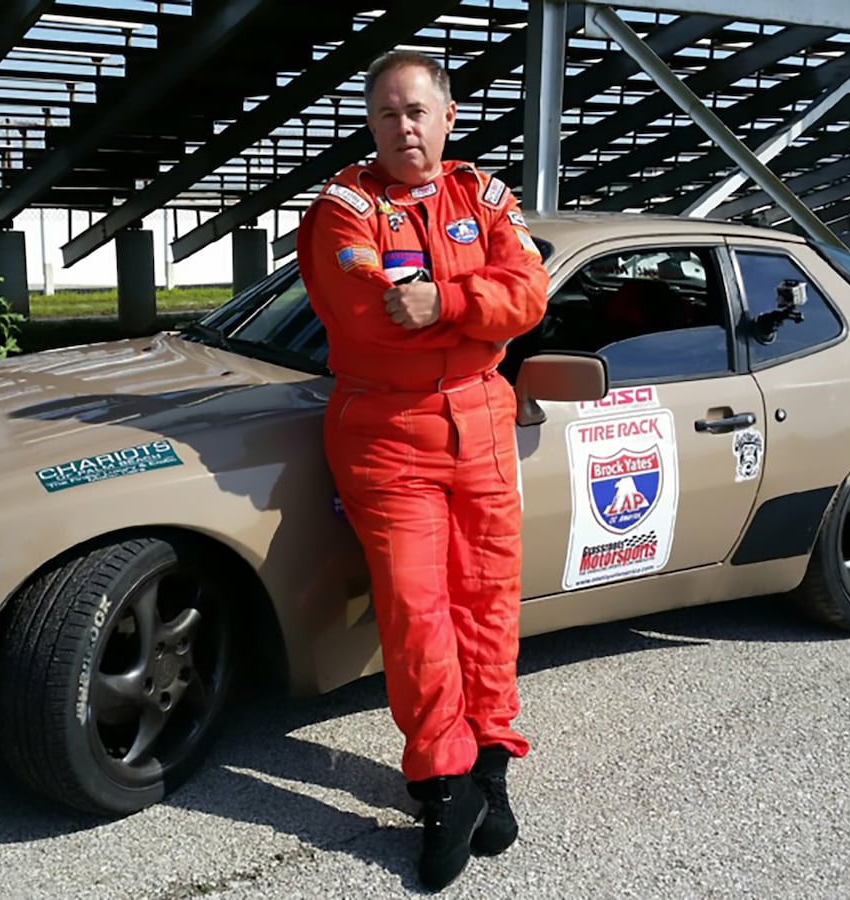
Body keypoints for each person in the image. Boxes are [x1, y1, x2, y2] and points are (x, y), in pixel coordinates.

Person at [295, 50, 549, 891]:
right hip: (384, 428)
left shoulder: (485, 197)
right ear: (372, 127)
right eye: (386, 115)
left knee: (488, 603)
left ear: (448, 117)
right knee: (416, 610)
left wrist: (443, 302)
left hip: (481, 418)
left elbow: (531, 295)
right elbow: (368, 319)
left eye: (416, 111)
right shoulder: (343, 208)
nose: (403, 127)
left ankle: (490, 770)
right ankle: (441, 785)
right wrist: (482, 315)